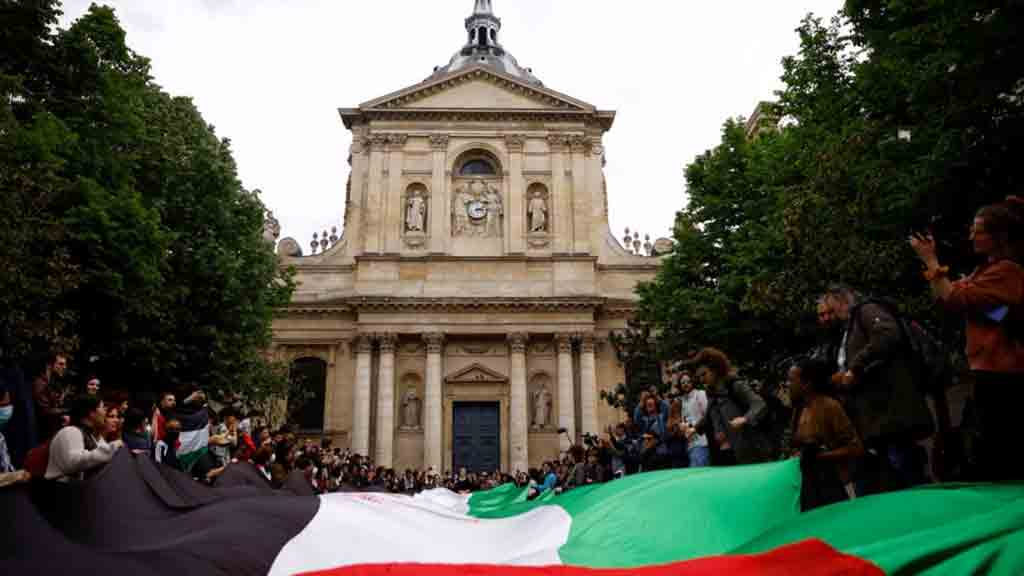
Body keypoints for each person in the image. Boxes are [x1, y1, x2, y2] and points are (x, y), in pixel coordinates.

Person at [910, 197, 1024, 481]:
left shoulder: (1007, 271)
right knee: (991, 446)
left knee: (1001, 450)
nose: (971, 235)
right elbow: (949, 298)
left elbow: (954, 296)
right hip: (990, 370)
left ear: (999, 236)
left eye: (978, 230)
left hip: (1004, 372)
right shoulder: (987, 270)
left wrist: (930, 259)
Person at [819, 285, 934, 493]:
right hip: (879, 418)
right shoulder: (849, 327)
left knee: (906, 470)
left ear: (844, 302)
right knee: (893, 474)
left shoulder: (867, 311)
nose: (832, 316)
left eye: (833, 309)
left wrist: (855, 368)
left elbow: (887, 335)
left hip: (892, 411)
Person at [790, 358, 864, 511]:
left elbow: (855, 448)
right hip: (809, 490)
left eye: (792, 380)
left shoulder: (830, 407)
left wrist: (821, 456)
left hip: (835, 487)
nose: (788, 384)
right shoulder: (798, 410)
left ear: (807, 384)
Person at [693, 348, 775, 466]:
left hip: (752, 450)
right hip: (731, 454)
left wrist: (745, 419)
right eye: (699, 376)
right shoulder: (711, 393)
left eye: (704, 374)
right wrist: (693, 429)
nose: (701, 379)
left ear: (715, 369)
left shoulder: (735, 386)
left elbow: (759, 404)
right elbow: (708, 417)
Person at [45, 395, 122, 482]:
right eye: (102, 408)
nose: (105, 412)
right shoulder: (71, 431)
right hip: (60, 491)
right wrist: (112, 448)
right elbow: (73, 463)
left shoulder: (88, 436)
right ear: (91, 413)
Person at [676, 366, 711, 468]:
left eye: (687, 381)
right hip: (690, 444)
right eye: (682, 382)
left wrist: (695, 429)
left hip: (703, 441)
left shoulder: (700, 394)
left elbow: (707, 415)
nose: (685, 384)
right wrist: (682, 426)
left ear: (693, 381)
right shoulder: (682, 400)